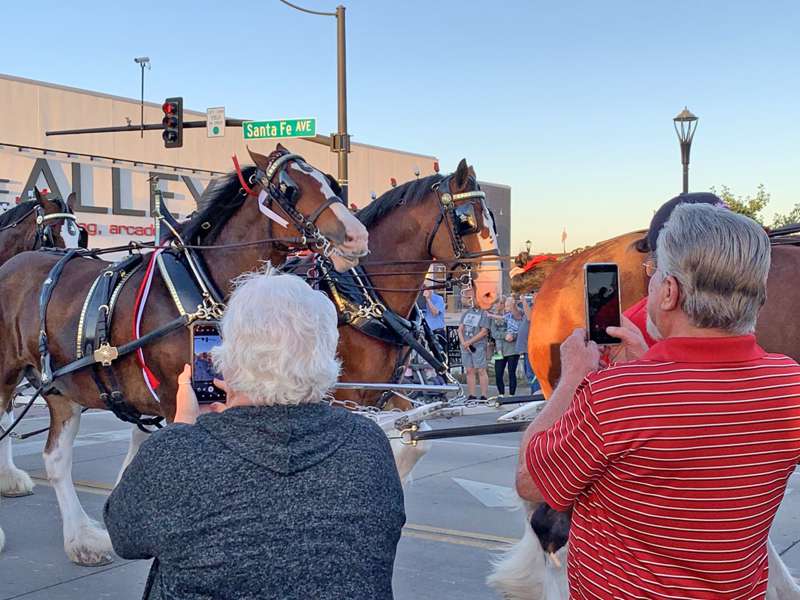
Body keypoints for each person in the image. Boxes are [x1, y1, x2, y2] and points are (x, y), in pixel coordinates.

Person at [516, 203, 800, 599]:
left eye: (654, 273)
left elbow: (532, 483)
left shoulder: (616, 396)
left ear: (669, 292)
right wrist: (649, 362)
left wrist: (572, 380)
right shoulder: (789, 383)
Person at [104, 268, 406, 600]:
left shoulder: (177, 453)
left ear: (228, 357)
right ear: (326, 352)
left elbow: (123, 534)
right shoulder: (367, 443)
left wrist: (181, 431)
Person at [458, 287, 490, 400]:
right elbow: (460, 329)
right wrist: (464, 342)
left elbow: (484, 331)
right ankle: (472, 394)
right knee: (469, 370)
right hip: (466, 345)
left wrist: (470, 342)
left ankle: (484, 394)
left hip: (478, 345)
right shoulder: (467, 313)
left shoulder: (484, 313)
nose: (472, 301)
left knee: (481, 369)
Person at [489, 296, 523, 396]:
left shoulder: (514, 314)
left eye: (499, 303)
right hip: (499, 349)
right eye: (496, 303)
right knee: (498, 373)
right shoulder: (494, 317)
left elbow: (519, 328)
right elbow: (494, 333)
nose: (497, 305)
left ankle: (512, 395)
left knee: (512, 373)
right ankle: (501, 394)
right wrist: (505, 335)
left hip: (512, 348)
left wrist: (513, 336)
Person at [516, 293, 541, 394]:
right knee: (529, 374)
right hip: (527, 347)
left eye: (534, 293)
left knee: (534, 374)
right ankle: (534, 393)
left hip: (534, 347)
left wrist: (524, 301)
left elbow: (530, 317)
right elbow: (516, 315)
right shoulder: (530, 306)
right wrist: (513, 303)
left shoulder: (540, 307)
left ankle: (537, 396)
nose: (532, 295)